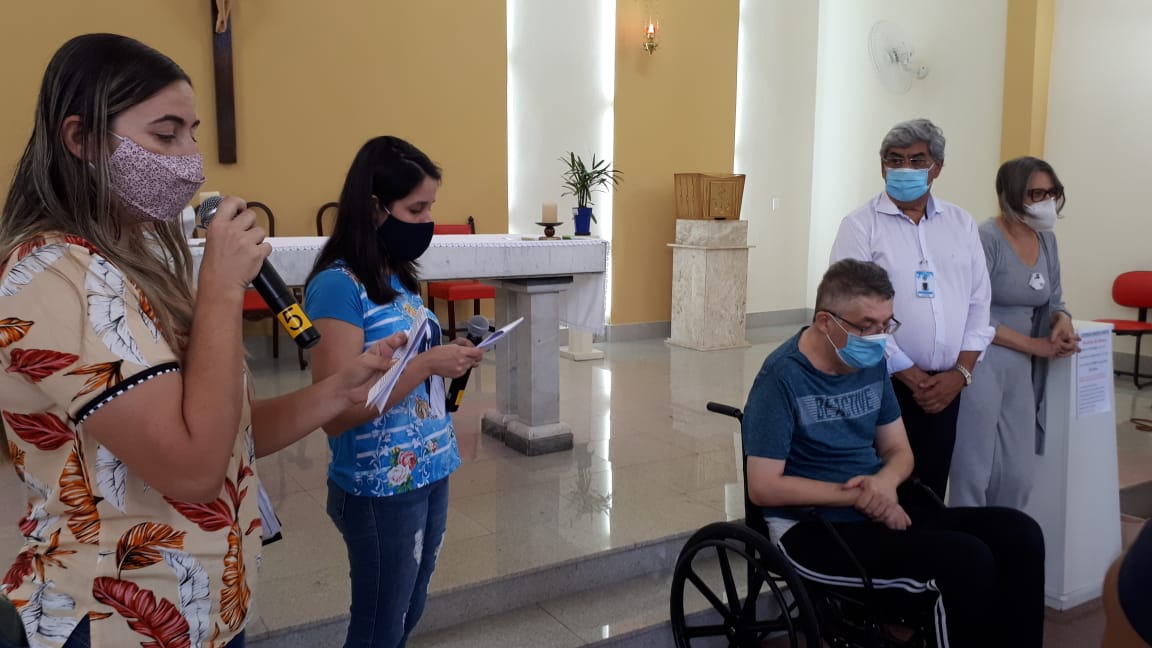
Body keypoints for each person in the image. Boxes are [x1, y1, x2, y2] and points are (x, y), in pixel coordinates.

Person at [0, 34, 402, 648]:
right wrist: (219, 287)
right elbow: (192, 469)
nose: (192, 160)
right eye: (166, 135)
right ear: (80, 139)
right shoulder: (51, 274)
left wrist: (337, 390)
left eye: (192, 134)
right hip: (116, 615)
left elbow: (224, 431)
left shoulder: (130, 261)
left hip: (203, 608)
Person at [742, 259, 1045, 648]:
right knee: (965, 562)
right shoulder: (781, 378)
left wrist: (884, 483)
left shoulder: (870, 363)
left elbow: (899, 450)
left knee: (1019, 534)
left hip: (878, 510)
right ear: (825, 322)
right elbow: (763, 487)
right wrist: (860, 496)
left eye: (886, 325)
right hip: (812, 531)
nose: (878, 337)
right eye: (866, 326)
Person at [303, 136, 484, 648]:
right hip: (379, 484)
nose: (427, 221)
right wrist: (426, 362)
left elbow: (403, 363)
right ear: (375, 208)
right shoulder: (338, 286)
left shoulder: (396, 275)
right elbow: (335, 412)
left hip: (429, 466)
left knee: (408, 610)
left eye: (431, 207)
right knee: (379, 627)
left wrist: (444, 356)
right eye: (416, 209)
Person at [830, 118, 994, 503]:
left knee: (931, 488)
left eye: (916, 160)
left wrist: (960, 374)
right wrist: (909, 373)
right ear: (882, 166)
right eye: (895, 160)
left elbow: (978, 303)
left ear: (936, 167)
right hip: (884, 383)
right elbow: (850, 312)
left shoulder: (960, 223)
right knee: (884, 491)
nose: (904, 169)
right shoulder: (860, 226)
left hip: (948, 387)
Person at [951, 157, 1080, 509]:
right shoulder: (986, 238)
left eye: (1051, 192)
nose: (1046, 201)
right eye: (1036, 193)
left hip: (1021, 366)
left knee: (1018, 473)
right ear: (1011, 195)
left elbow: (1055, 298)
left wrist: (1062, 321)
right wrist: (1033, 345)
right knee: (974, 468)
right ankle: (967, 535)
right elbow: (971, 311)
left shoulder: (1047, 241)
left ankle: (1005, 532)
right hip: (981, 361)